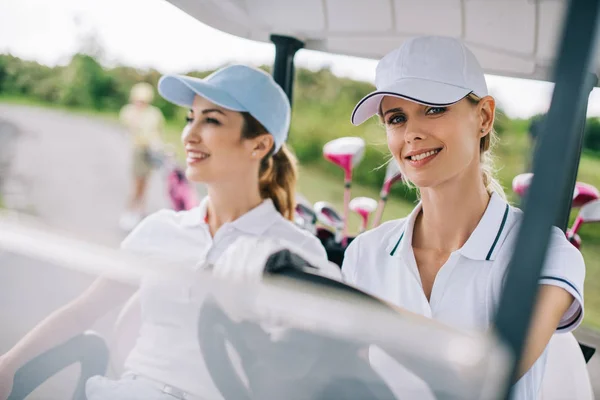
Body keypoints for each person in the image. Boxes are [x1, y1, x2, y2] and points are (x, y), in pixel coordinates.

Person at [0, 65, 335, 400]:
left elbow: (305, 375)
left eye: (212, 120)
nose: (190, 134)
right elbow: (81, 312)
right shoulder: (161, 229)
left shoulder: (297, 252)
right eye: (192, 117)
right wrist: (9, 364)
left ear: (259, 145)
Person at [341, 36, 585, 399]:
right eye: (396, 118)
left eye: (434, 109)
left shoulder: (545, 253)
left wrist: (367, 312)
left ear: (484, 117)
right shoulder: (365, 253)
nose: (412, 133)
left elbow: (490, 370)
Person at [118, 82, 166, 231]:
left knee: (145, 184)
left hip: (151, 152)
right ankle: (129, 212)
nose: (140, 103)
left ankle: (139, 212)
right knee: (137, 184)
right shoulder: (129, 112)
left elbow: (158, 131)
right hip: (138, 151)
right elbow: (129, 129)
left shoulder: (154, 113)